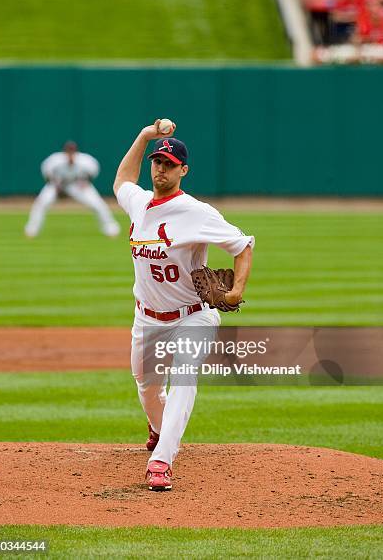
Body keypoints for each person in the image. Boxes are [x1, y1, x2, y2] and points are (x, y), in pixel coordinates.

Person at [113, 119, 254, 491]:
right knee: (146, 386)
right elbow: (121, 182)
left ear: (183, 170)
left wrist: (237, 291)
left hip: (193, 316)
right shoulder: (140, 204)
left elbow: (243, 245)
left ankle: (161, 461)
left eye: (169, 164)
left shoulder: (196, 212)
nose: (161, 168)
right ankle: (158, 427)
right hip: (146, 318)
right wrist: (144, 136)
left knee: (185, 377)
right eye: (158, 162)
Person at [25, 141, 120, 238]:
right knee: (41, 202)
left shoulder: (85, 160)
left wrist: (86, 181)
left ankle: (110, 227)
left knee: (97, 204)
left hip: (77, 185)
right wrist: (55, 184)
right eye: (68, 150)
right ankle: (32, 229)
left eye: (72, 150)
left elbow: (93, 172)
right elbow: (46, 173)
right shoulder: (55, 160)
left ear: (76, 151)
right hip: (58, 185)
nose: (70, 153)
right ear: (64, 151)